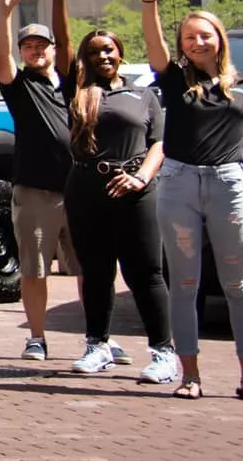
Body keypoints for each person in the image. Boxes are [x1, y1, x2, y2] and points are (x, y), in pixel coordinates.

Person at [139, 0, 243, 400]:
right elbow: (154, 46)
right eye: (189, 37)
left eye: (205, 35)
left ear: (219, 39)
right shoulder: (175, 77)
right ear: (183, 45)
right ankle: (191, 375)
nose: (198, 42)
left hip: (228, 184)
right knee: (184, 284)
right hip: (178, 184)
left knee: (239, 283)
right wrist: (150, 1)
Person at [62, 19, 176, 385]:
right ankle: (98, 346)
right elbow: (62, 40)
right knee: (95, 272)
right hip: (85, 190)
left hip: (135, 191)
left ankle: (164, 352)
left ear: (121, 53)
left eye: (108, 49)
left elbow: (158, 144)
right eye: (94, 52)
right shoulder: (77, 92)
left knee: (145, 273)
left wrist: (140, 177)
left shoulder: (144, 96)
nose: (102, 56)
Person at [0, 0, 79, 362]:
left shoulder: (71, 82)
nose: (33, 51)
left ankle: (96, 337)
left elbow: (65, 36)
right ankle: (37, 337)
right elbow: (0, 59)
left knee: (87, 268)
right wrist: (4, 14)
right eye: (27, 46)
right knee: (35, 269)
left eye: (40, 45)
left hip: (78, 191)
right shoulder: (19, 86)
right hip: (34, 193)